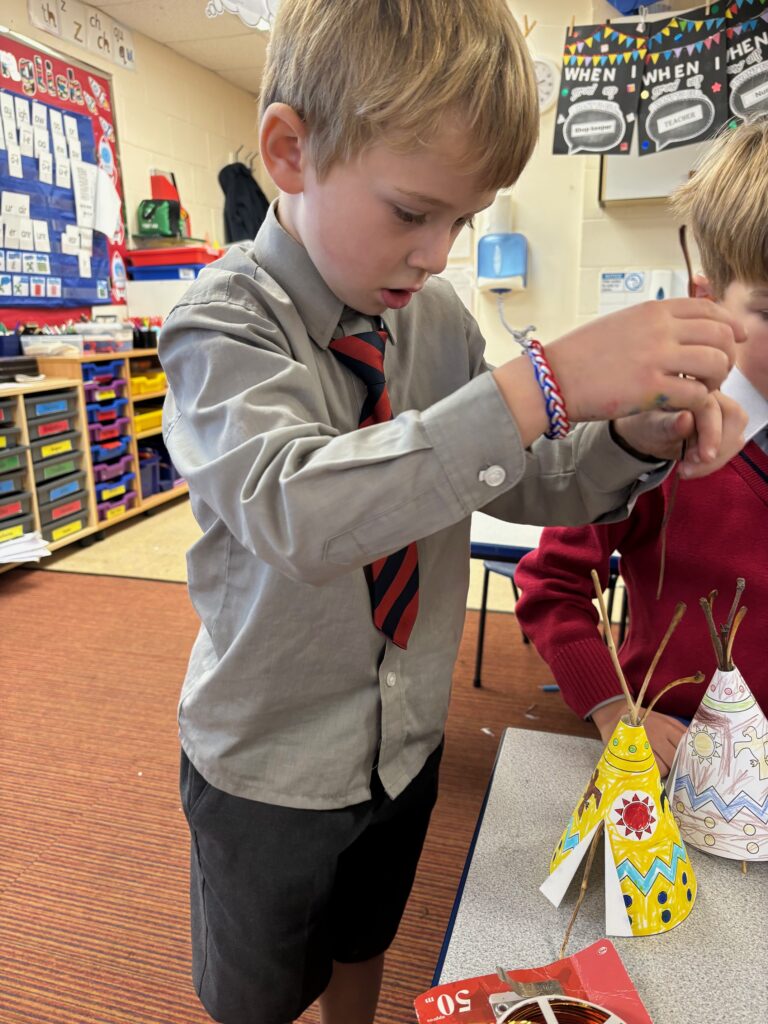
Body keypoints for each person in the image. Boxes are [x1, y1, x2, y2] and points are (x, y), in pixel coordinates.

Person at [158, 3, 746, 1022]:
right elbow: (299, 510)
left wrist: (625, 440)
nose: (438, 252)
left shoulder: (429, 319)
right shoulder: (219, 324)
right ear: (291, 152)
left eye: (463, 221)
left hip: (405, 742)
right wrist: (540, 382)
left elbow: (508, 474)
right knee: (254, 992)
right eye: (412, 211)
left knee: (366, 937)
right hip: (269, 764)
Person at [516, 120, 768, 777]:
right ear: (710, 297)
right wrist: (610, 706)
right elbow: (551, 582)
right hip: (675, 754)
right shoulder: (657, 437)